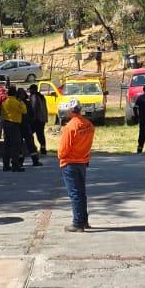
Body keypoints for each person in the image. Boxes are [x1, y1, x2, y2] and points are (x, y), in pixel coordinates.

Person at [56, 98, 95, 232]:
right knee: (81, 193)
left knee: (75, 193)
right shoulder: (88, 124)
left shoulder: (70, 127)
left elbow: (63, 150)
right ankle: (84, 220)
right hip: (83, 161)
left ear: (71, 111)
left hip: (70, 163)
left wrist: (61, 157)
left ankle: (78, 223)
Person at [0, 85, 28, 172]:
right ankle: (15, 165)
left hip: (6, 124)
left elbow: (2, 114)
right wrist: (21, 101)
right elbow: (24, 111)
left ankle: (5, 165)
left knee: (7, 145)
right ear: (15, 93)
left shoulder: (4, 102)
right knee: (16, 146)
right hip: (14, 125)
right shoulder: (17, 102)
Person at [25, 84, 47, 165]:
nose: (29, 91)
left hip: (36, 119)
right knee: (41, 134)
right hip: (42, 119)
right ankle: (43, 149)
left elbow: (33, 108)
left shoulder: (34, 96)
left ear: (33, 90)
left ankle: (34, 149)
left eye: (30, 89)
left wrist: (31, 118)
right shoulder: (41, 96)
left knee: (31, 134)